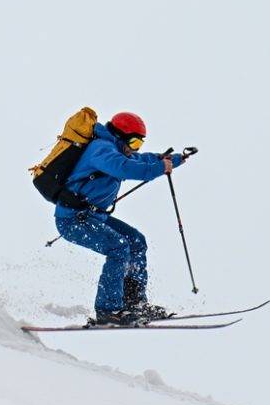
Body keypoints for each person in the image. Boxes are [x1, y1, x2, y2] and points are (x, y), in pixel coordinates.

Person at [55, 111, 187, 325]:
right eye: (134, 142)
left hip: (94, 217)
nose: (136, 148)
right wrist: (159, 168)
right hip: (72, 220)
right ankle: (108, 310)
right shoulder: (101, 150)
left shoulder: (117, 149)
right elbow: (126, 168)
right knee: (118, 247)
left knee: (136, 241)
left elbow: (141, 159)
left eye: (139, 143)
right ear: (120, 136)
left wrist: (174, 159)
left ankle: (134, 303)